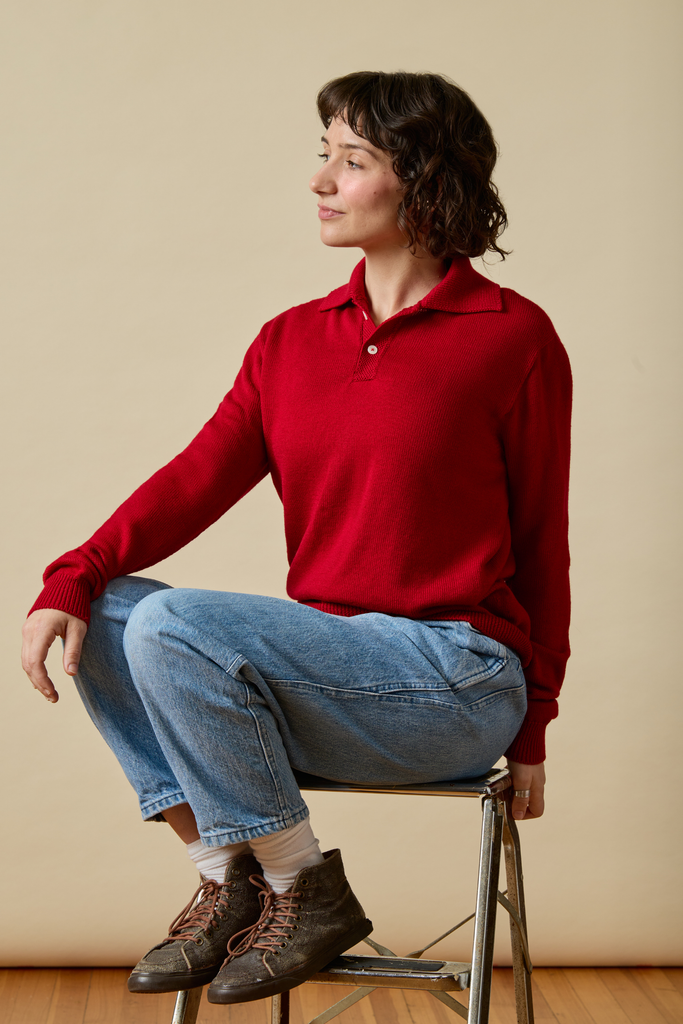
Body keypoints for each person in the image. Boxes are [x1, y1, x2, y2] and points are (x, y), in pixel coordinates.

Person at [21, 71, 571, 1005]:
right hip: (331, 673)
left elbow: (541, 538)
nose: (320, 180)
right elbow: (193, 480)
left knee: (174, 624)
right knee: (113, 610)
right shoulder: (288, 342)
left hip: (454, 679)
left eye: (350, 161)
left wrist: (534, 726)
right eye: (323, 155)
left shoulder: (509, 338)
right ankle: (244, 875)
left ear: (424, 180)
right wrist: (70, 576)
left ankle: (291, 880)